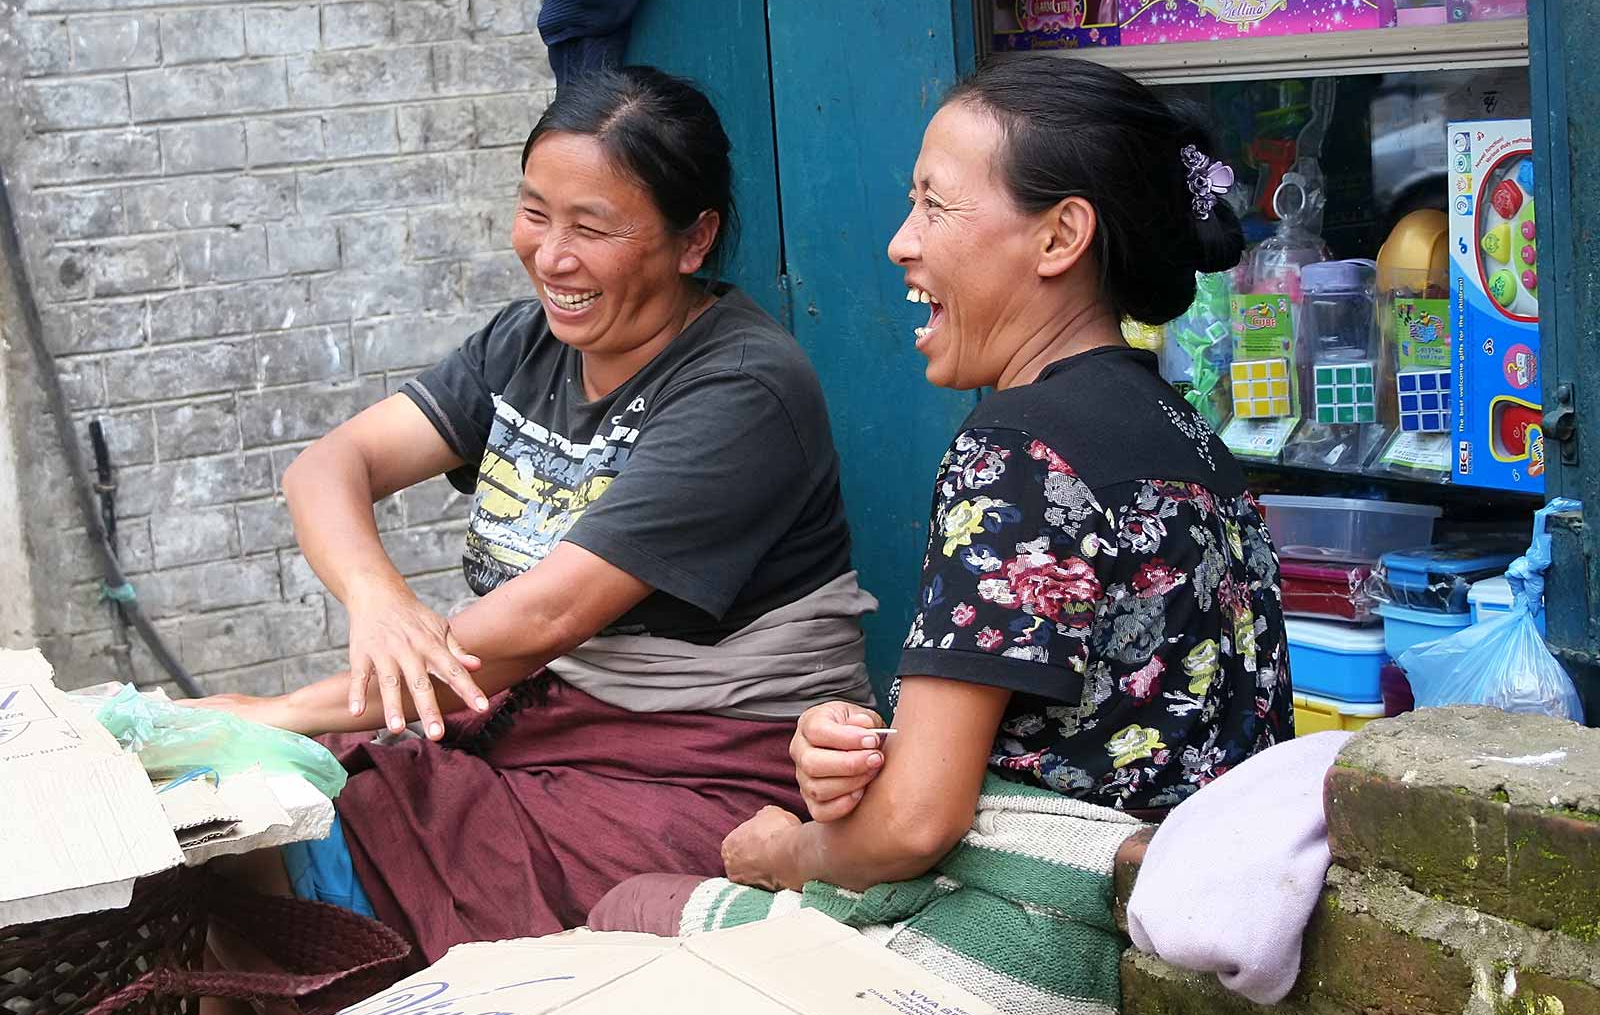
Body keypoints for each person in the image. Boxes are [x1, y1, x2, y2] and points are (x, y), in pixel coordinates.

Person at [593, 55, 1292, 933]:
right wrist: (850, 755)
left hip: (1042, 934)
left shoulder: (1016, 450)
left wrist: (786, 850)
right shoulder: (1192, 439)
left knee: (630, 904)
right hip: (1170, 929)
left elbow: (918, 823)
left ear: (1059, 237)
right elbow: (1093, 731)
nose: (901, 241)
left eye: (935, 204)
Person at [195, 66, 876, 962]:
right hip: (536, 716)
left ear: (694, 238)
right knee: (239, 824)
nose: (552, 255)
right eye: (535, 212)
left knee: (298, 828)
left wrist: (277, 711)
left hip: (696, 767)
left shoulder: (742, 388)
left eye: (591, 227)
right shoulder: (526, 344)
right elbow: (329, 465)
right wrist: (378, 598)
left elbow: (535, 624)